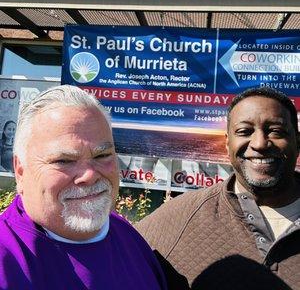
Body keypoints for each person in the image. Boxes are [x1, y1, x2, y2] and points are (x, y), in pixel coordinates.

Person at [0, 85, 167, 290]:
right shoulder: (7, 260)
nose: (89, 175)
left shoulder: (128, 237)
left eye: (102, 156)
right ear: (20, 170)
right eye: (63, 160)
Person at [136, 87, 300, 289]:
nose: (259, 143)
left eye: (275, 131)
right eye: (244, 131)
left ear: (297, 140)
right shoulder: (176, 220)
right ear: (227, 143)